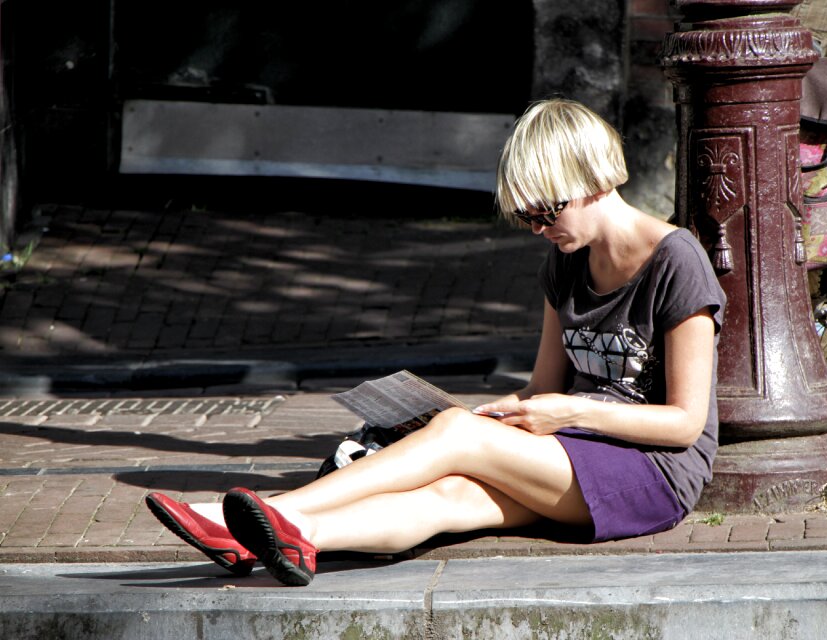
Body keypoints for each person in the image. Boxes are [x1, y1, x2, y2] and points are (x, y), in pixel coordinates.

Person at [145, 98, 727, 587]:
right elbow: (543, 389)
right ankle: (294, 539)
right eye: (526, 215)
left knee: (453, 437)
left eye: (546, 210)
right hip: (577, 453)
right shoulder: (564, 263)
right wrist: (504, 412)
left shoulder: (676, 260)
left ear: (594, 181)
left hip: (654, 472)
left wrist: (567, 410)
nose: (538, 228)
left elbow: (683, 423)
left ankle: (269, 511)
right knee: (453, 495)